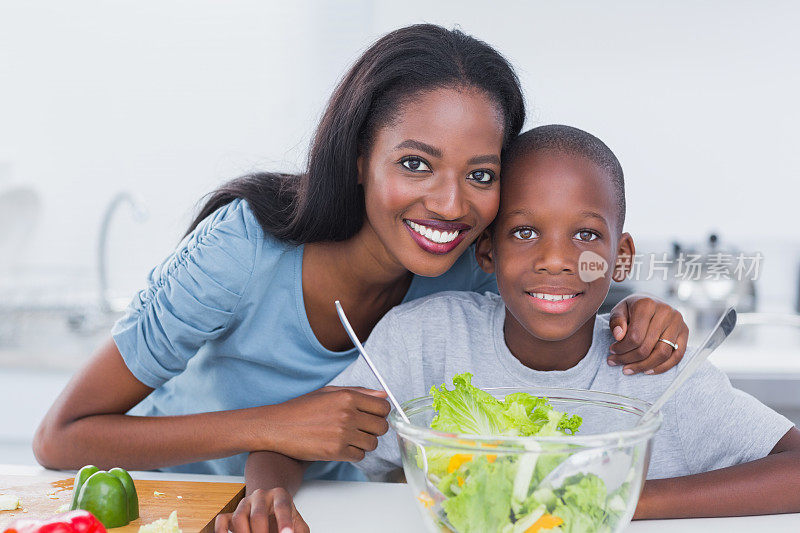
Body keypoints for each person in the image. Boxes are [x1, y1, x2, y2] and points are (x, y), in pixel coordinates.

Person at [35, 22, 685, 516]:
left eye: (480, 174)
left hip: (331, 512)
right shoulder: (240, 249)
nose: (450, 204)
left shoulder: (469, 263)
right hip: (169, 504)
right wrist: (274, 422)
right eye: (415, 163)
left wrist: (637, 310)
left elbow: (574, 284)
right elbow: (60, 437)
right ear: (357, 159)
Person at [228, 125, 799, 531]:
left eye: (585, 235)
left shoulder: (656, 368)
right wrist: (265, 494)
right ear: (486, 251)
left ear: (620, 257)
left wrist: (619, 502)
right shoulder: (425, 341)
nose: (555, 260)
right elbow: (289, 442)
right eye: (525, 233)